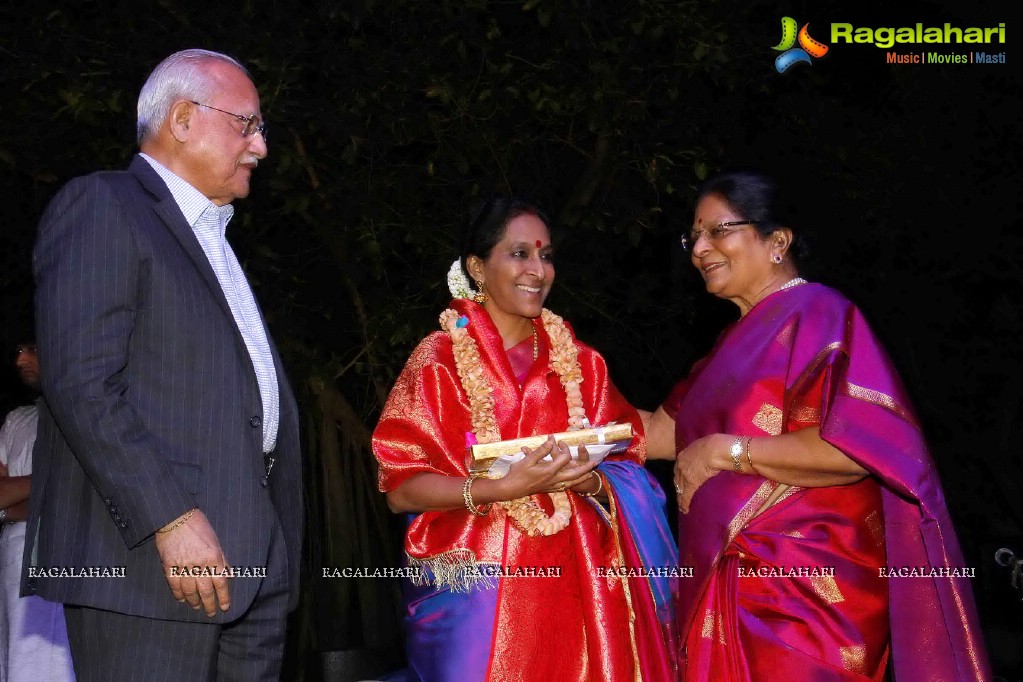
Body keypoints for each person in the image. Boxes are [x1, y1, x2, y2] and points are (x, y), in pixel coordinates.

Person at [643, 168, 991, 681]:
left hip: (805, 602)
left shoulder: (821, 315)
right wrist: (558, 370)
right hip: (722, 588)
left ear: (777, 240)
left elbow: (855, 449)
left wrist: (724, 451)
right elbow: (655, 433)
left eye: (718, 230)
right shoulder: (725, 349)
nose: (699, 248)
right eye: (693, 235)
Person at [26, 49, 303, 680]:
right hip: (149, 567)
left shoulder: (214, 241)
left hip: (254, 563)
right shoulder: (105, 204)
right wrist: (169, 517)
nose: (261, 146)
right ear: (182, 118)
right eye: (248, 124)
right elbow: (82, 382)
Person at [372, 196, 677, 681]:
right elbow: (400, 489)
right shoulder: (438, 362)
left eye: (547, 255)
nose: (538, 269)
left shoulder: (580, 362)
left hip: (580, 592)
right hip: (475, 595)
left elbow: (629, 453)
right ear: (477, 267)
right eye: (519, 254)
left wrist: (592, 484)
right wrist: (497, 488)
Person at [0, 342, 74, 681]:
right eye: (15, 352)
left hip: (73, 553)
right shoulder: (18, 419)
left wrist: (17, 501)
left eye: (30, 348)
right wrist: (47, 481)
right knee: (21, 658)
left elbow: (77, 494)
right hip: (16, 557)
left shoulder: (85, 413)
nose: (20, 360)